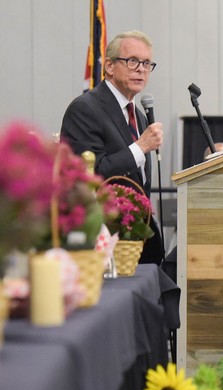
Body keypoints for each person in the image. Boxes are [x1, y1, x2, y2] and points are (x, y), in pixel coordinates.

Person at [60, 30, 165, 265]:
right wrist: (140, 147)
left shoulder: (138, 114)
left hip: (138, 243)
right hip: (102, 244)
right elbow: (91, 175)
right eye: (132, 61)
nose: (141, 69)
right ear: (109, 66)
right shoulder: (85, 108)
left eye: (147, 63)